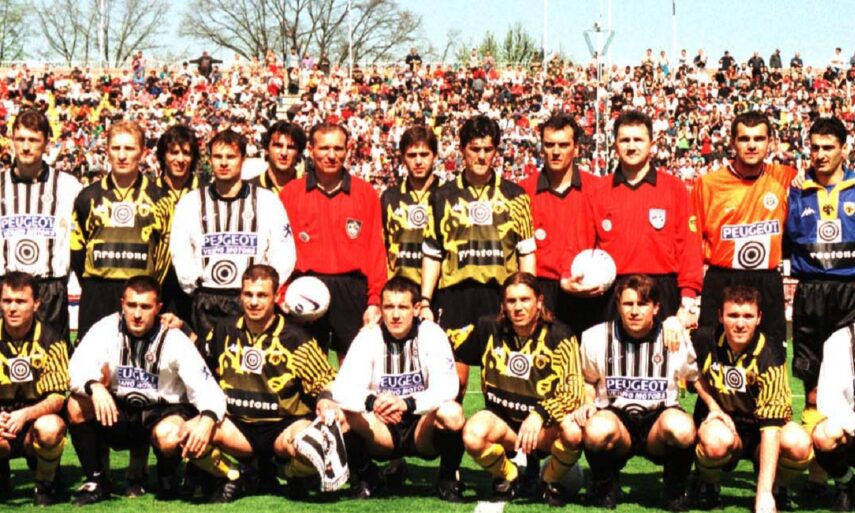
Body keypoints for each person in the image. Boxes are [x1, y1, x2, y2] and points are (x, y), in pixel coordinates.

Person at [66, 275, 228, 504]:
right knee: (76, 404)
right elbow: (76, 367)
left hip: (162, 411)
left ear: (158, 308)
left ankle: (167, 474)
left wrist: (207, 420)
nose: (137, 314)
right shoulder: (106, 328)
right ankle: (97, 480)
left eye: (145, 306)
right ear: (122, 304)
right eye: (131, 305)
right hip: (120, 410)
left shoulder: (174, 339)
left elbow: (206, 387)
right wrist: (95, 387)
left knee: (169, 435)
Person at [199, 264, 342, 501]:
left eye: (262, 295)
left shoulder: (296, 338)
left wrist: (326, 400)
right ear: (241, 295)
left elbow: (327, 380)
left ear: (276, 297)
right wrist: (181, 326)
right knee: (186, 433)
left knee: (319, 444)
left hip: (284, 428)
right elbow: (198, 367)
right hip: (237, 428)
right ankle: (236, 474)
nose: (254, 302)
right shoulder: (223, 331)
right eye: (248, 294)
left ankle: (283, 473)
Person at [420, 115, 535, 389]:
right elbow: (432, 253)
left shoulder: (516, 196)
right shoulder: (442, 196)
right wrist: (425, 301)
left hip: (498, 297)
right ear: (462, 150)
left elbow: (526, 252)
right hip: (455, 296)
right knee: (454, 383)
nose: (482, 156)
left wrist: (530, 296)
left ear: (496, 151)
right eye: (475, 149)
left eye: (488, 149)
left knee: (497, 381)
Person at [561, 110, 703, 327]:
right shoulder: (597, 191)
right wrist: (566, 277)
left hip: (662, 290)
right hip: (612, 292)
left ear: (651, 144)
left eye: (638, 140)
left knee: (662, 350)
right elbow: (578, 242)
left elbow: (689, 248)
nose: (631, 146)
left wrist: (689, 299)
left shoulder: (674, 188)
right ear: (615, 145)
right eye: (625, 140)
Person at [454, 272, 585, 506]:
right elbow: (451, 348)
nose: (518, 307)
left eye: (525, 300)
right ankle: (508, 475)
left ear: (539, 302)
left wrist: (539, 414)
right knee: (473, 434)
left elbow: (574, 392)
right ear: (503, 305)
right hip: (504, 424)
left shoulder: (560, 335)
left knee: (573, 431)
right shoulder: (487, 328)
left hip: (543, 428)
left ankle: (548, 480)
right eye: (511, 301)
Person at [332, 276, 464, 500]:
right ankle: (368, 476)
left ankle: (448, 479)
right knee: (339, 415)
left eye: (402, 307)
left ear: (416, 309)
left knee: (452, 412)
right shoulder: (368, 336)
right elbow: (342, 388)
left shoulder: (432, 333)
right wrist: (373, 402)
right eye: (389, 307)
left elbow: (448, 386)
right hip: (382, 427)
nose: (395, 315)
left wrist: (407, 403)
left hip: (420, 427)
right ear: (381, 309)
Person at [577, 274, 698, 511]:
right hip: (616, 420)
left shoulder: (672, 337)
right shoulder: (596, 337)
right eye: (628, 303)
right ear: (618, 305)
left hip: (658, 422)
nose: (634, 311)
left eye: (642, 304)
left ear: (656, 307)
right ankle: (604, 485)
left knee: (683, 428)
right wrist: (588, 402)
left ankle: (674, 489)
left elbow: (696, 379)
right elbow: (588, 380)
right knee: (595, 429)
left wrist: (714, 409)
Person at [692, 285, 812, 512]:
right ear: (720, 316)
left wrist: (763, 494)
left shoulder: (770, 355)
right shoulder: (704, 339)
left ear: (759, 318)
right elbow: (688, 371)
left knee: (798, 444)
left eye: (748, 316)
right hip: (725, 427)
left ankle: (776, 488)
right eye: (733, 315)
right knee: (714, 440)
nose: (740, 323)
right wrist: (713, 406)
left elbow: (771, 428)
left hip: (761, 432)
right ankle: (708, 484)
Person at [786, 116, 855, 490]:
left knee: (848, 384)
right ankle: (818, 473)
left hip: (851, 291)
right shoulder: (798, 189)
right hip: (811, 292)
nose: (821, 154)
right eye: (815, 148)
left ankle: (843, 469)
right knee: (812, 386)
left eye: (829, 147)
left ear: (844, 148)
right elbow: (789, 239)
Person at [171, 129, 296, 336]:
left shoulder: (267, 201)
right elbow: (180, 249)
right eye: (217, 156)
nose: (223, 163)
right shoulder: (191, 202)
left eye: (230, 157)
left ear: (243, 159)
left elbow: (284, 251)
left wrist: (266, 289)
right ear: (209, 159)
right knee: (206, 355)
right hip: (207, 299)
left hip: (251, 299)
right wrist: (195, 284)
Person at [280, 123, 386, 358]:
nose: (331, 155)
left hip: (351, 291)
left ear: (347, 150)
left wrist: (375, 300)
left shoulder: (365, 193)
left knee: (353, 368)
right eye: (324, 148)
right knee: (306, 367)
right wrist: (283, 292)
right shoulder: (290, 194)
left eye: (338, 148)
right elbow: (280, 251)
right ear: (311, 150)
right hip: (306, 287)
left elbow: (376, 252)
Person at [692, 111, 796, 353]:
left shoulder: (786, 177)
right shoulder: (708, 185)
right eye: (744, 139)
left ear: (770, 142)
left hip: (766, 280)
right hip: (722, 279)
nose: (752, 145)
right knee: (712, 357)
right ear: (733, 143)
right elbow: (693, 242)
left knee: (771, 357)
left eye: (759, 139)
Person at [70, 120, 171, 339]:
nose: (122, 155)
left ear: (142, 153)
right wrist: (93, 283)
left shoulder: (160, 198)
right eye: (116, 148)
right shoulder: (87, 197)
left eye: (129, 148)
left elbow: (165, 254)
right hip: (97, 294)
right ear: (107, 151)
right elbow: (76, 249)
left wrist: (150, 288)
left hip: (140, 297)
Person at [0, 109, 82, 341]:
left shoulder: (68, 186)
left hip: (49, 291)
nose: (26, 147)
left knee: (52, 357)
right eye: (20, 139)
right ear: (12, 141)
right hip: (6, 289)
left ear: (46, 143)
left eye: (34, 140)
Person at [520, 113, 600, 335]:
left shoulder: (597, 189)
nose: (556, 151)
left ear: (576, 149)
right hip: (541, 292)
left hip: (586, 290)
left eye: (564, 145)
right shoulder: (523, 191)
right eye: (549, 145)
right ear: (541, 148)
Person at [0, 272, 69, 505]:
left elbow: (58, 397)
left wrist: (25, 415)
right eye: (7, 301)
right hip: (2, 426)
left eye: (21, 301)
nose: (13, 308)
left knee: (51, 427)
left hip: (33, 426)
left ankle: (45, 483)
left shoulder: (52, 340)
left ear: (36, 304)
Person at [154, 124, 206, 326]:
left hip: (194, 286)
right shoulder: (149, 192)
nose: (180, 159)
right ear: (163, 155)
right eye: (174, 152)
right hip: (157, 285)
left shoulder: (205, 193)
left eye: (186, 153)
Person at [381, 125, 440, 284]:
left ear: (435, 156)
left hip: (439, 289)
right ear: (402, 158)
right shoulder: (389, 197)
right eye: (412, 155)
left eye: (424, 154)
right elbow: (381, 248)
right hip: (398, 289)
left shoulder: (448, 195)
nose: (418, 161)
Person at [813, 321, 855, 510]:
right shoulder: (837, 342)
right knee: (825, 435)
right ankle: (847, 482)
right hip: (851, 432)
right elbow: (828, 401)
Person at [249, 121, 307, 194]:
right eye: (278, 146)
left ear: (299, 153)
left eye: (290, 147)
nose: (284, 153)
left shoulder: (310, 188)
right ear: (267, 150)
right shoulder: (249, 189)